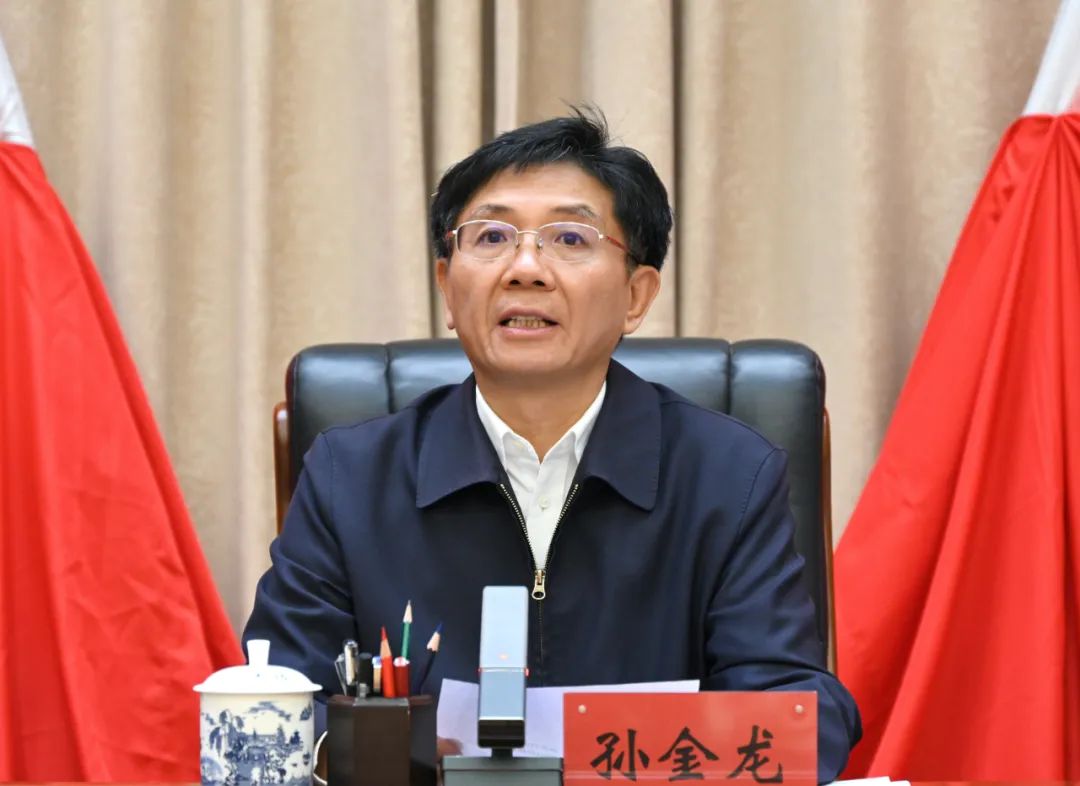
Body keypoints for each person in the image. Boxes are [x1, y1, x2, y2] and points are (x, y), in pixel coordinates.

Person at [243, 108, 861, 781]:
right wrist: (389, 754)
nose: (526, 268)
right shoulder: (352, 476)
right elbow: (279, 705)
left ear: (636, 295)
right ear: (447, 287)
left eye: (570, 238)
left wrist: (598, 758)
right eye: (492, 236)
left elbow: (795, 715)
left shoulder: (729, 475)